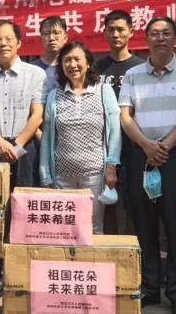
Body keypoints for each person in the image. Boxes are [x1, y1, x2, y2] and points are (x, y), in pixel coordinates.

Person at [118, 16, 176, 314]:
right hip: (140, 154)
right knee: (143, 223)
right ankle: (150, 287)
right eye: (154, 33)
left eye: (167, 33)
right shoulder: (132, 75)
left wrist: (164, 146)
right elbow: (126, 117)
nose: (160, 38)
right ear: (145, 39)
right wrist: (146, 145)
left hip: (175, 155)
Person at [0, 19, 46, 298]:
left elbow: (37, 114)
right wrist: (0, 142)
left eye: (7, 39)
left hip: (24, 148)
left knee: (23, 208)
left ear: (19, 42)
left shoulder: (35, 74)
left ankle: (22, 272)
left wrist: (17, 143)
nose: (1, 44)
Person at [38, 41, 121, 234]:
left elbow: (115, 133)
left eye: (77, 59)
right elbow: (47, 138)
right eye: (67, 60)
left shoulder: (104, 91)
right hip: (61, 176)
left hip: (95, 175)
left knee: (93, 227)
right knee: (64, 229)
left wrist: (111, 167)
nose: (72, 65)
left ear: (88, 63)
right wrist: (45, 174)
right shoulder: (54, 96)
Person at [96, 10, 146, 235]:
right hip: (102, 144)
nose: (116, 34)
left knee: (135, 201)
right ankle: (112, 249)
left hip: (134, 143)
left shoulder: (140, 68)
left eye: (120, 30)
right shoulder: (96, 68)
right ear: (105, 32)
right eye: (111, 30)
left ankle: (133, 249)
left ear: (131, 32)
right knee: (107, 201)